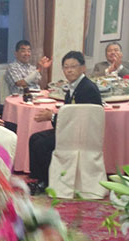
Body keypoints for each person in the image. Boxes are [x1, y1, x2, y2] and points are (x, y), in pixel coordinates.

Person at [28, 50, 102, 194]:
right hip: (72, 130)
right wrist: (53, 117)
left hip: (81, 135)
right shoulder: (74, 86)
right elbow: (71, 116)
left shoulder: (87, 88)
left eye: (73, 66)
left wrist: (52, 117)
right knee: (35, 138)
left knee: (42, 143)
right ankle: (40, 179)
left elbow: (79, 119)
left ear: (83, 68)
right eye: (66, 67)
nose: (69, 70)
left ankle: (46, 182)